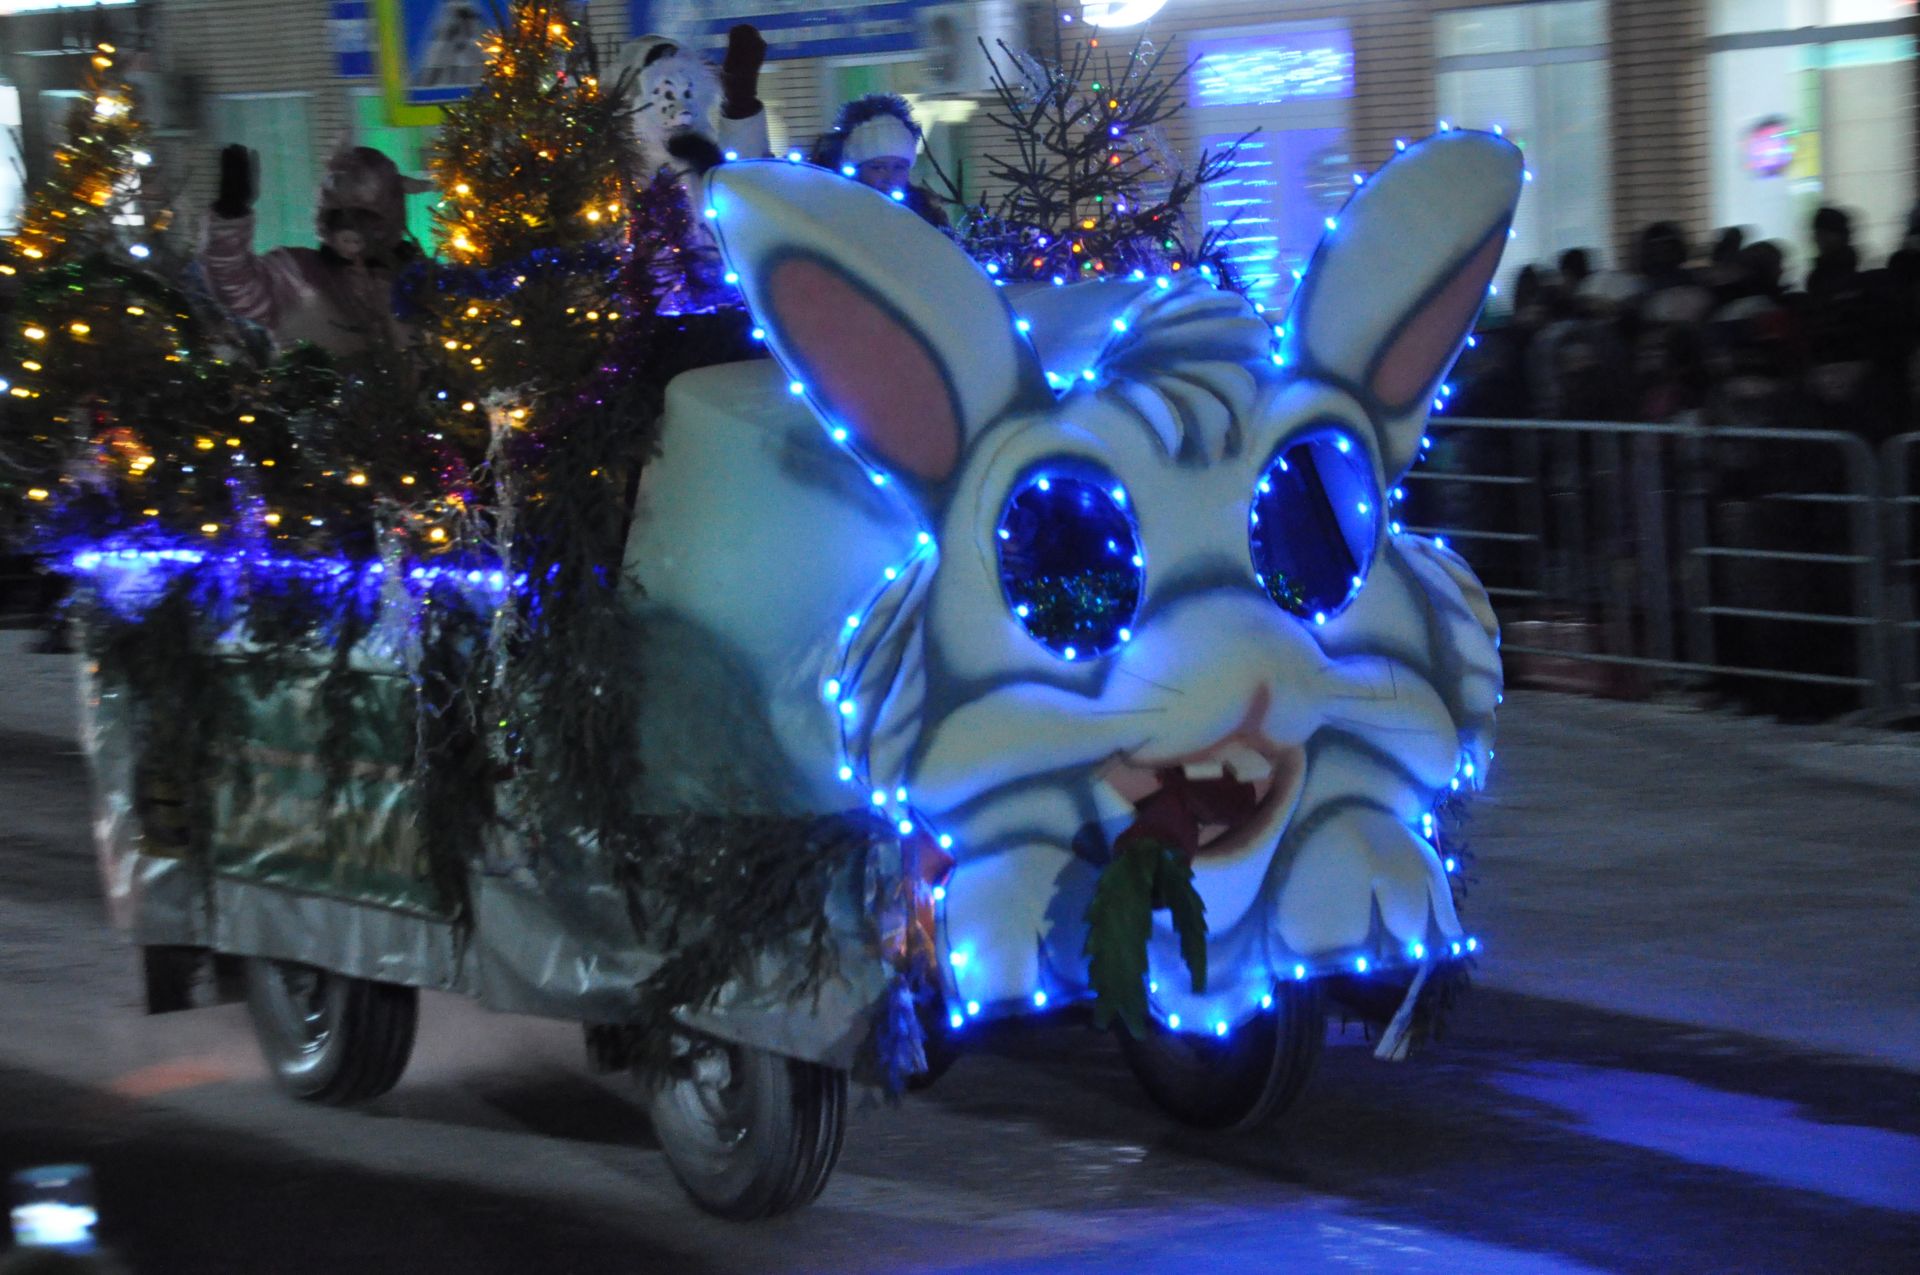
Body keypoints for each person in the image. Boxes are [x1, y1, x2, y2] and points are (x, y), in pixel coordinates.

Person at [198, 142, 429, 356]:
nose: (351, 232)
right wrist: (230, 215)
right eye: (337, 219)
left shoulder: (416, 280)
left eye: (366, 220)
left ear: (389, 221)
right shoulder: (297, 275)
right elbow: (235, 284)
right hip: (315, 396)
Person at [811, 94, 950, 229]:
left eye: (899, 167)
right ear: (856, 169)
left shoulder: (926, 216)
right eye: (878, 168)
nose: (889, 178)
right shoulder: (834, 216)